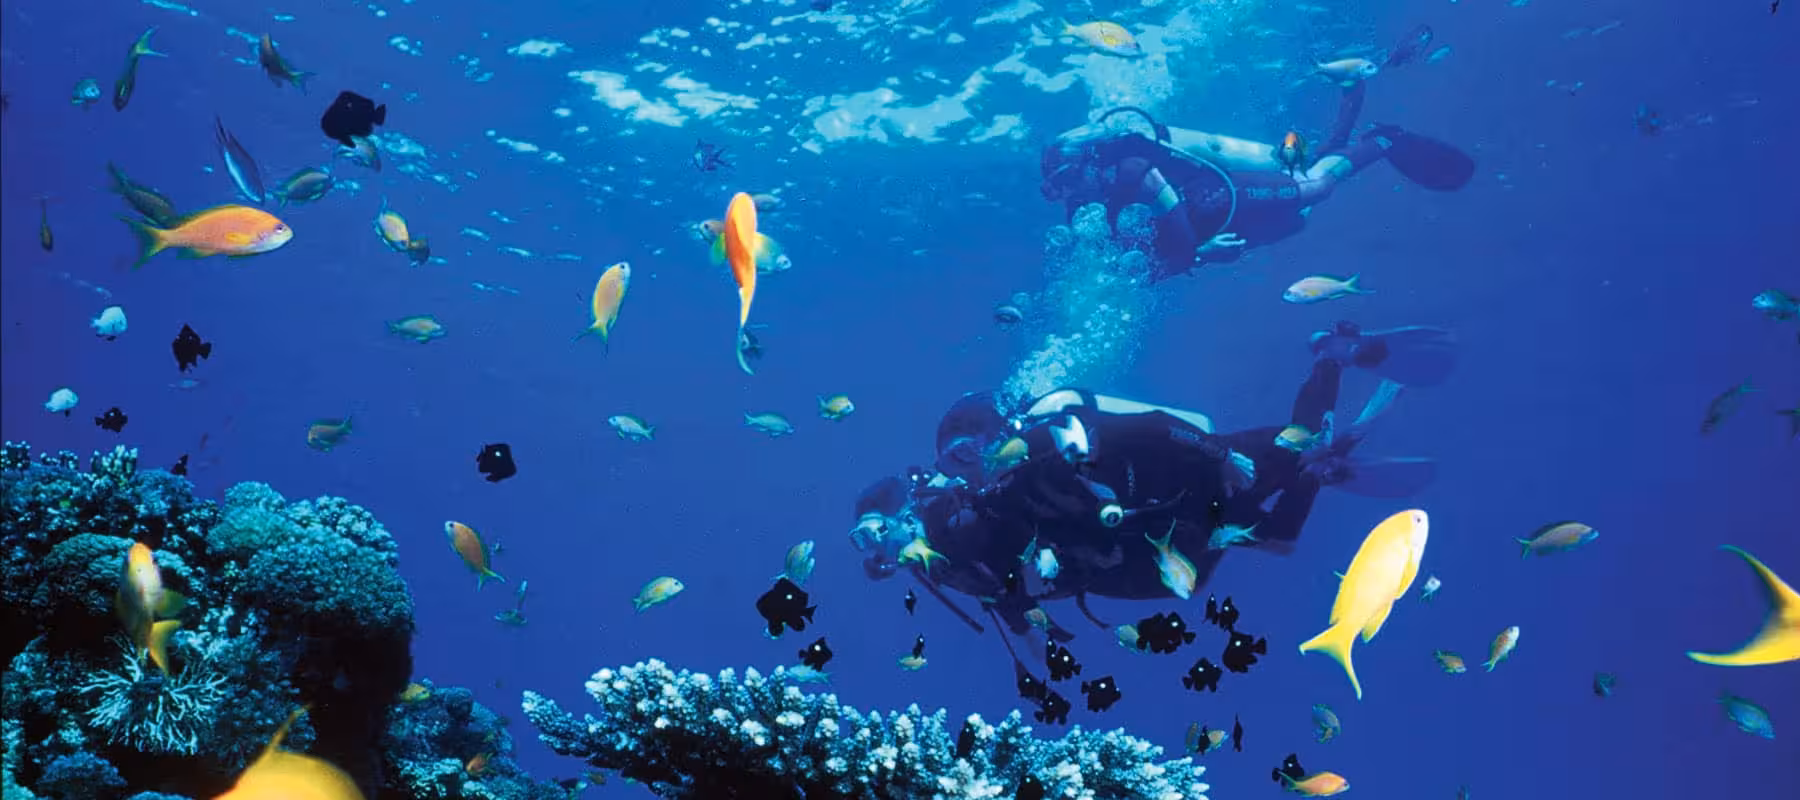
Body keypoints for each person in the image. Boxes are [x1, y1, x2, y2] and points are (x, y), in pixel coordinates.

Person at [849, 322, 1452, 638]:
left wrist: (1219, 454)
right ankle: (1319, 469)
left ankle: (1331, 355)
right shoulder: (999, 498)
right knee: (1280, 540)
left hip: (1198, 466)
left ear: (988, 433)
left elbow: (1153, 427)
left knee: (1305, 439)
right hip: (1175, 517)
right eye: (954, 463)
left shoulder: (1053, 428)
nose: (968, 468)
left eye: (965, 452)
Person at [1037, 44, 1475, 280]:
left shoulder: (1131, 169)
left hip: (1218, 196)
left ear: (1087, 164)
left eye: (1069, 181)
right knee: (1297, 213)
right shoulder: (1084, 210)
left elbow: (1173, 221)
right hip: (1211, 217)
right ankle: (1352, 93)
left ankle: (1381, 141)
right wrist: (1188, 259)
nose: (1070, 194)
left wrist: (1197, 255)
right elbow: (1137, 267)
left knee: (1316, 188)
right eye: (1059, 189)